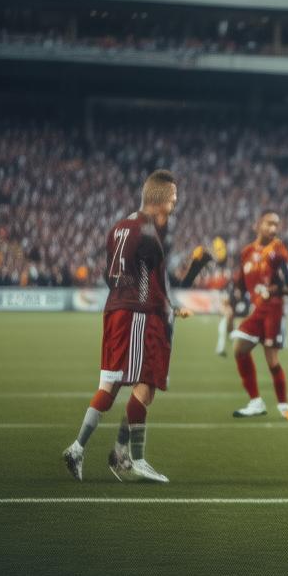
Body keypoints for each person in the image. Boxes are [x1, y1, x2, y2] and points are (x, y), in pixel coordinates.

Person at [62, 170, 192, 484]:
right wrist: (168, 309)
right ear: (160, 198)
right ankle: (133, 459)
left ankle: (78, 448)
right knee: (146, 383)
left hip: (113, 310)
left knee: (109, 386)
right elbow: (153, 285)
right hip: (136, 315)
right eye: (173, 196)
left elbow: (109, 275)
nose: (176, 202)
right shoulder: (149, 233)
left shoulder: (118, 227)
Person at [230, 210, 288, 420]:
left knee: (271, 360)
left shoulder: (278, 250)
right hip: (258, 310)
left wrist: (275, 289)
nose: (273, 228)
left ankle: (283, 408)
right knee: (240, 349)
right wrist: (232, 299)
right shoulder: (247, 252)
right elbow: (240, 282)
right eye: (269, 223)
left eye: (276, 225)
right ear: (257, 225)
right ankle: (257, 402)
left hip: (274, 310)